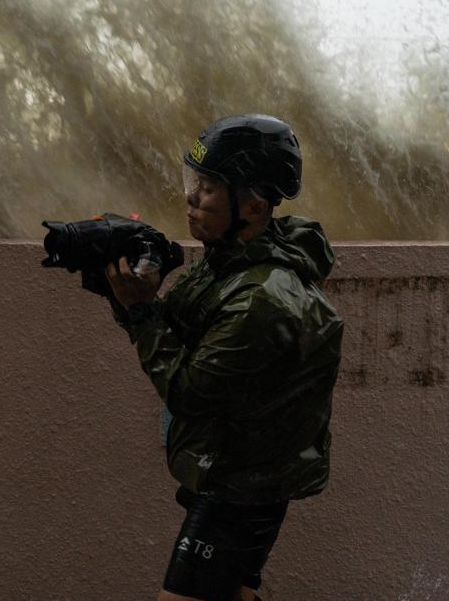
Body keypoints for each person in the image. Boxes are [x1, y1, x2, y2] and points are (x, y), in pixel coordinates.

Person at [103, 114, 343, 601]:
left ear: (253, 207)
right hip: (234, 468)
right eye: (194, 181)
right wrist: (135, 300)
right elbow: (179, 329)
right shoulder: (228, 263)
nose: (191, 197)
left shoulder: (260, 296)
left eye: (209, 187)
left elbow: (188, 391)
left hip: (242, 486)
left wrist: (142, 313)